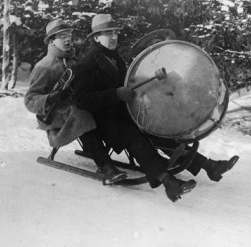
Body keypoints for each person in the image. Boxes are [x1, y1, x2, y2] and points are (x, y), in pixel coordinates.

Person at [73, 14, 238, 201]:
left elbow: (129, 83)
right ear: (96, 37)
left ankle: (210, 167)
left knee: (159, 130)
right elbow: (81, 100)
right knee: (136, 138)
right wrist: (115, 94)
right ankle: (168, 182)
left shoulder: (114, 58)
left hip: (123, 113)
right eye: (107, 34)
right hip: (104, 122)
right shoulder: (86, 64)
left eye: (115, 33)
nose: (113, 38)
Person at [24, 18, 127, 185]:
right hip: (54, 115)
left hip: (73, 107)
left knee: (99, 107)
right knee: (81, 114)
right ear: (51, 41)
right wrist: (51, 98)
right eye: (61, 36)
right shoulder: (44, 66)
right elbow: (30, 100)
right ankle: (106, 166)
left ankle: (115, 145)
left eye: (69, 35)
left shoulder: (74, 61)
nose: (67, 40)